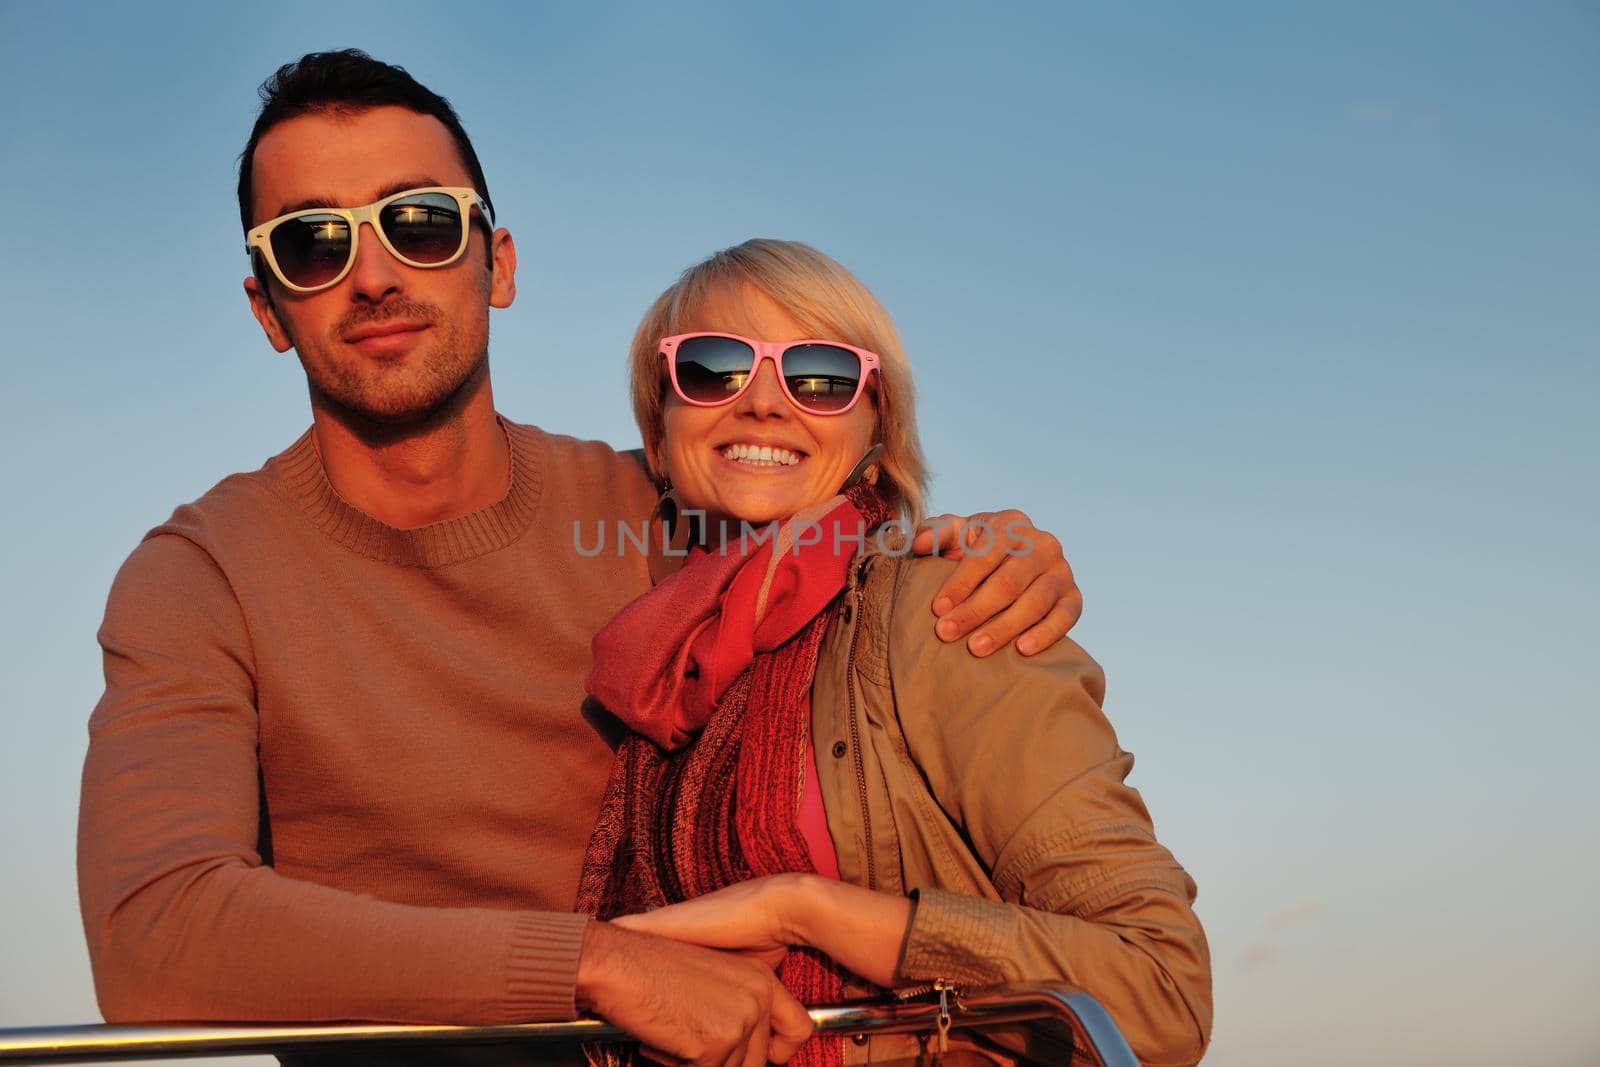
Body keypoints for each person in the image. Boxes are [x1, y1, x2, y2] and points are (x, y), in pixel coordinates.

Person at [76, 49, 1088, 1067]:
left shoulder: (663, 512)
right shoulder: (200, 575)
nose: (374, 275)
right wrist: (588, 965)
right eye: (312, 244)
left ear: (497, 262)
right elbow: (154, 935)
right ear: (267, 310)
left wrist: (1000, 551)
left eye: (418, 221)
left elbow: (856, 574)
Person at [577, 240, 1212, 1067]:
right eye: (712, 366)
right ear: (658, 437)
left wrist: (803, 909)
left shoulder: (952, 610)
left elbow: (1161, 988)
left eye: (821, 375)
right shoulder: (648, 661)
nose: (765, 402)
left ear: (880, 429)